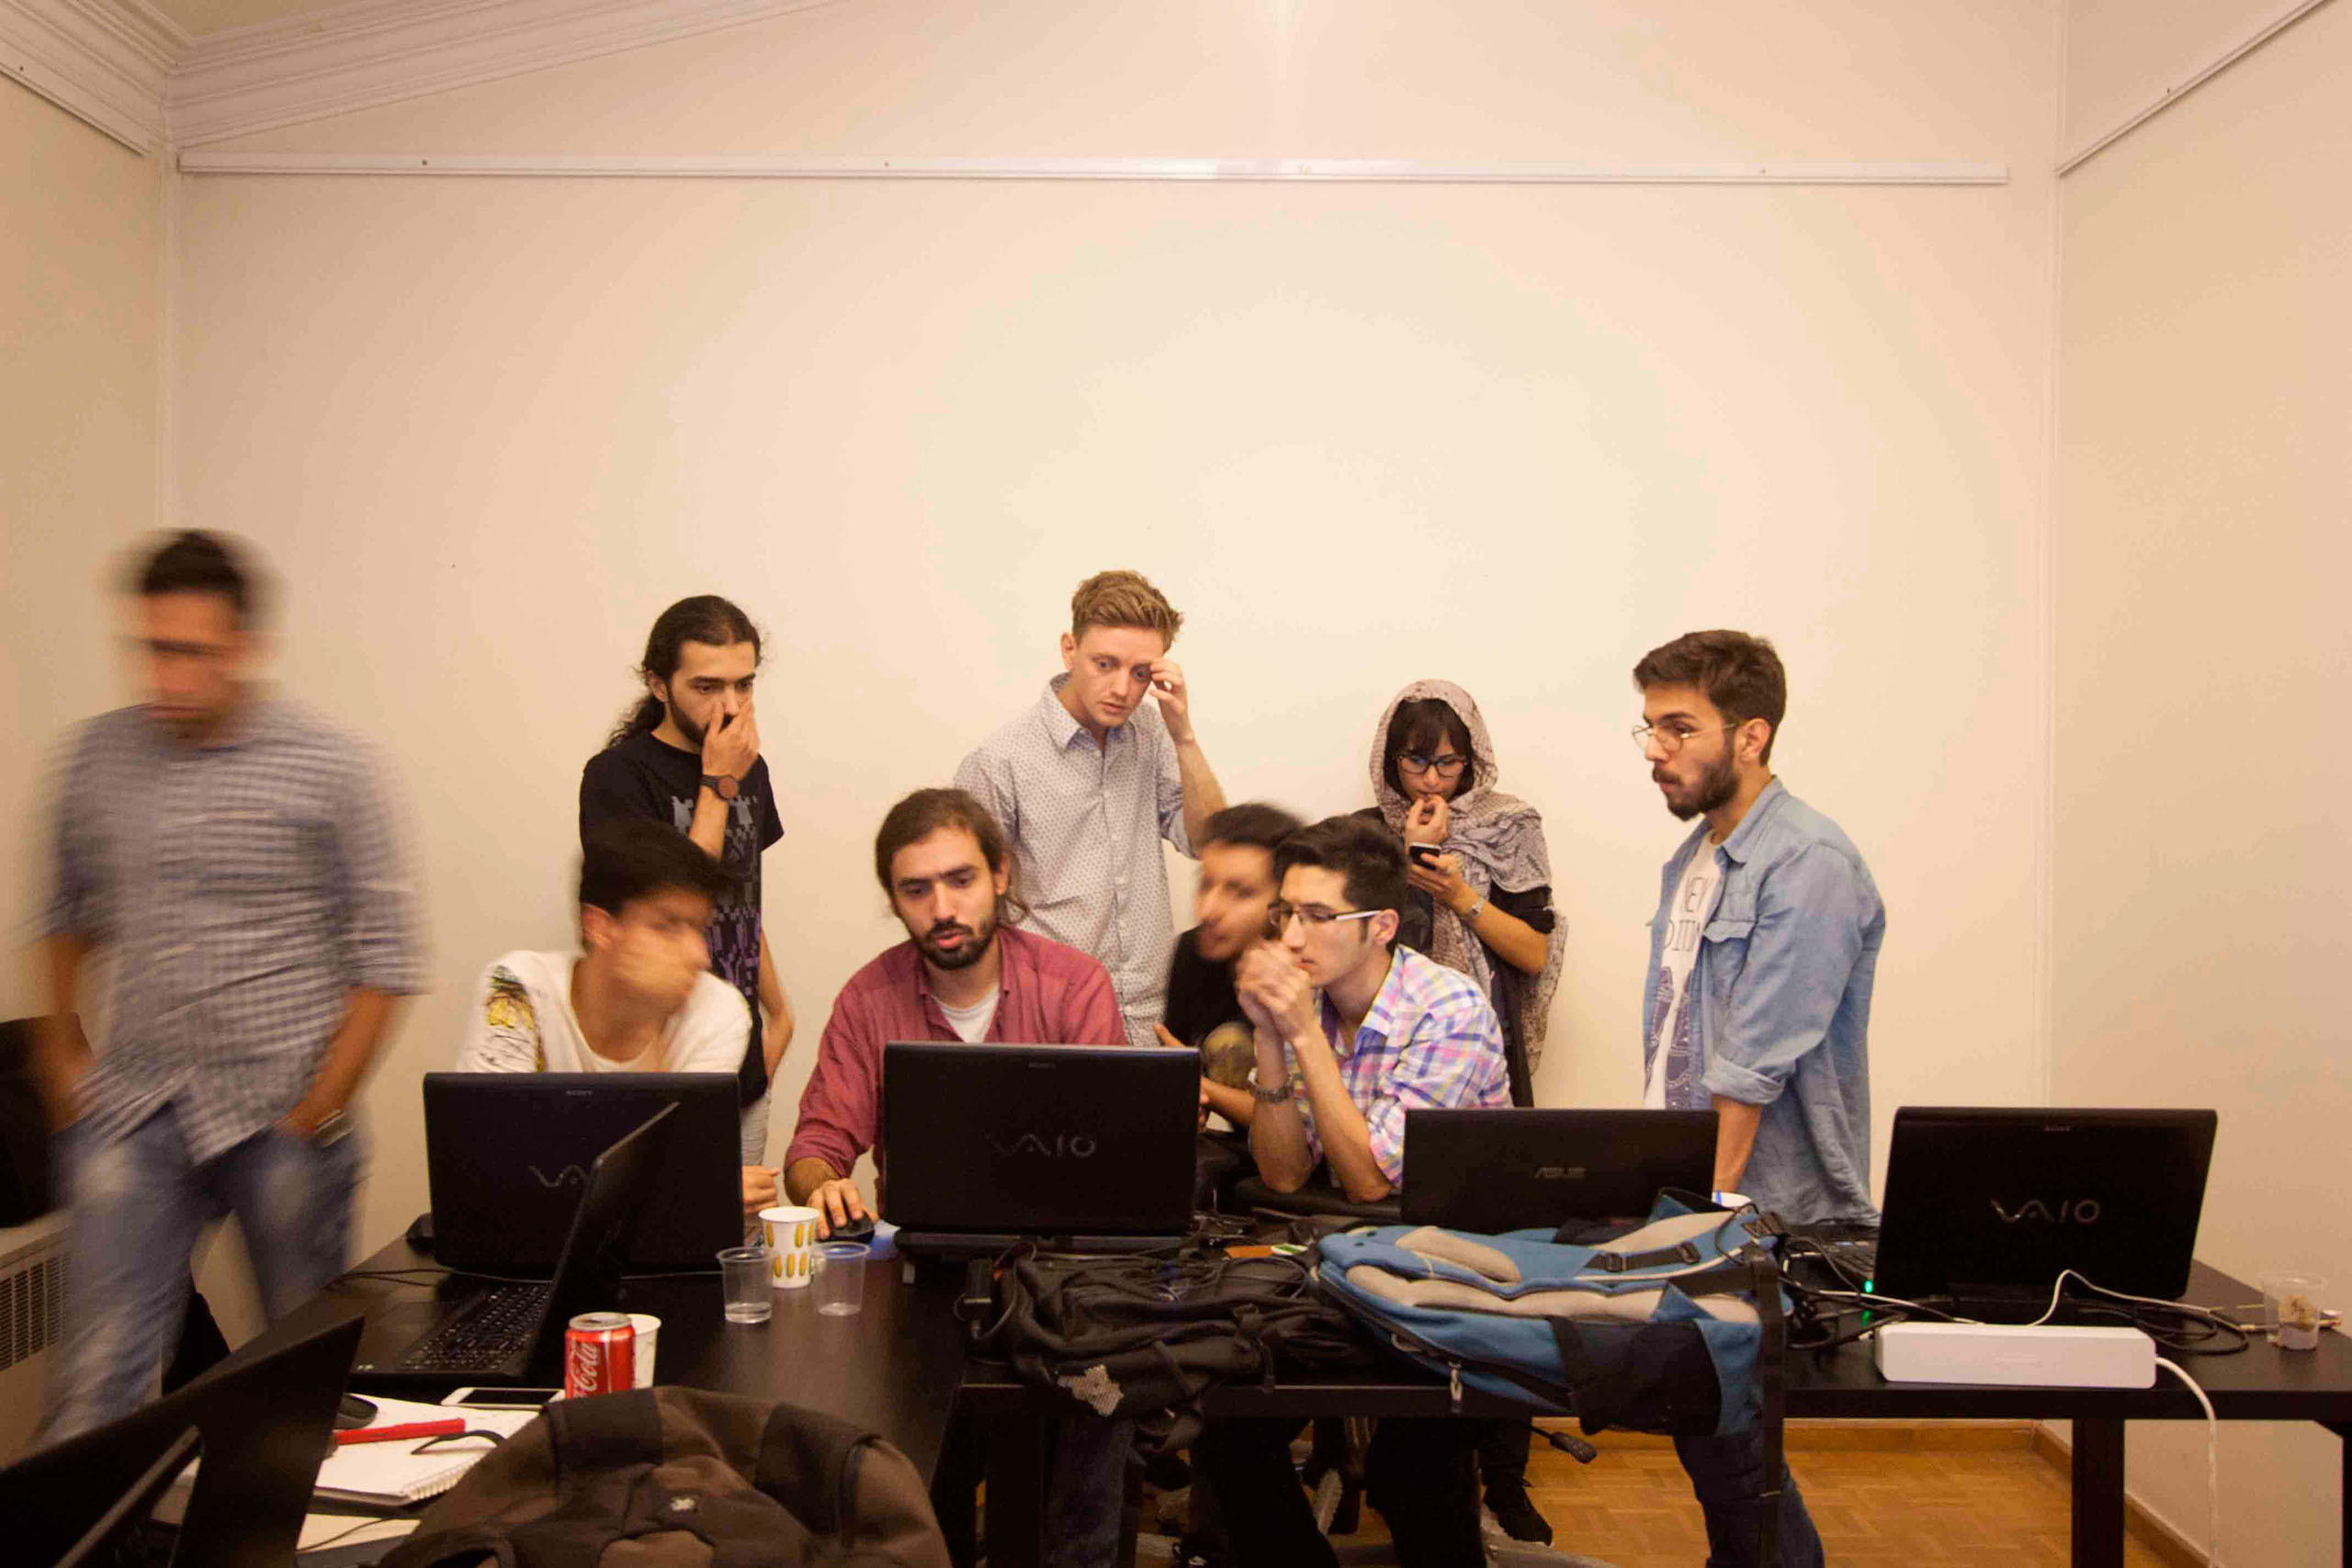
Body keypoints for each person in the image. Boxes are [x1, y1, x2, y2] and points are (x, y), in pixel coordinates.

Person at [30, 531, 423, 1444]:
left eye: (191, 652)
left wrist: (321, 1103)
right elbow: (65, 911)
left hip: (281, 1113)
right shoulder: (98, 757)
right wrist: (59, 1052)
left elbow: (387, 955)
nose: (166, 676)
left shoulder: (332, 763)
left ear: (245, 647)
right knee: (95, 1379)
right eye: (152, 649)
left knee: (299, 1383)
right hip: (134, 1110)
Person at [782, 787, 1128, 1568]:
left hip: (1064, 1279)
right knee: (900, 1468)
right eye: (916, 889)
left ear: (1000, 875)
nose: (942, 907)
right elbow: (816, 1143)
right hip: (924, 1280)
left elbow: (1110, 1161)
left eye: (961, 879)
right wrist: (820, 1183)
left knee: (1103, 1404)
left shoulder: (1074, 985)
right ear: (893, 900)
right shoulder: (869, 997)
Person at [1193, 815, 1510, 1568]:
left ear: (1381, 926)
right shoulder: (1317, 1005)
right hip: (1340, 1272)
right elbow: (1283, 1174)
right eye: (1285, 914)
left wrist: (1302, 1034)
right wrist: (1271, 1038)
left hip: (1446, 1288)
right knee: (1225, 1424)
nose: (1292, 937)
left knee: (1410, 1472)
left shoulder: (1450, 1009)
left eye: (1317, 915)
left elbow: (1370, 1178)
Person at [1634, 628, 1885, 1568]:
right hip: (1699, 1194)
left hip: (1763, 1210)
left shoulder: (1809, 861)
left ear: (1751, 735)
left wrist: (1698, 1222)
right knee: (1716, 1431)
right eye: (1649, 727)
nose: (1656, 749)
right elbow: (1676, 1044)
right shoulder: (1694, 858)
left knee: (1733, 1440)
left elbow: (1748, 1071)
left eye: (1678, 727)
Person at [1360, 679, 1566, 1542]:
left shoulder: (1510, 826)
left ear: (1474, 760)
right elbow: (1362, 961)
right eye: (1416, 762)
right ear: (1389, 761)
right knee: (1405, 1265)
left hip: (1488, 1065)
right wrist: (1405, 865)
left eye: (1449, 764)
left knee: (1502, 1275)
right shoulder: (1363, 838)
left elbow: (1534, 951)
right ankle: (1409, 1469)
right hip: (1391, 1073)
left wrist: (1458, 893)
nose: (1433, 781)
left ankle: (1505, 1480)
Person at [955, 570, 1227, 1048]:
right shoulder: (1000, 762)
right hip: (1048, 1020)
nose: (1122, 688)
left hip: (1149, 1015)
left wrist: (1183, 735)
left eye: (1140, 673)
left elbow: (1210, 843)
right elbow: (969, 905)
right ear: (1069, 649)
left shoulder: (1153, 733)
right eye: (1105, 664)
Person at [455, 817, 777, 1215]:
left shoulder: (719, 1012)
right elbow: (493, 1164)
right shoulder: (517, 988)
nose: (700, 955)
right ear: (600, 927)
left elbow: (677, 1186)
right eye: (668, 926)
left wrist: (650, 1017)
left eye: (700, 929)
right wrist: (693, 1184)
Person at [580, 595, 793, 1168]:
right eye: (706, 687)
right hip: (657, 1061)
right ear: (659, 684)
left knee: (741, 1223)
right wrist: (718, 781)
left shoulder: (751, 769)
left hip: (742, 1059)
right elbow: (682, 902)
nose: (731, 706)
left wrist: (780, 1014)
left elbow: (741, 900)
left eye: (744, 685)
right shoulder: (616, 777)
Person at [1153, 801, 1302, 1136]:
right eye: (1206, 884)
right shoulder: (1193, 952)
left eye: (1240, 893)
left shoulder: (1311, 971)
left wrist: (1202, 1086)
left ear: (1286, 902)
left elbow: (1303, 1124)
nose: (1208, 909)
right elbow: (1178, 1075)